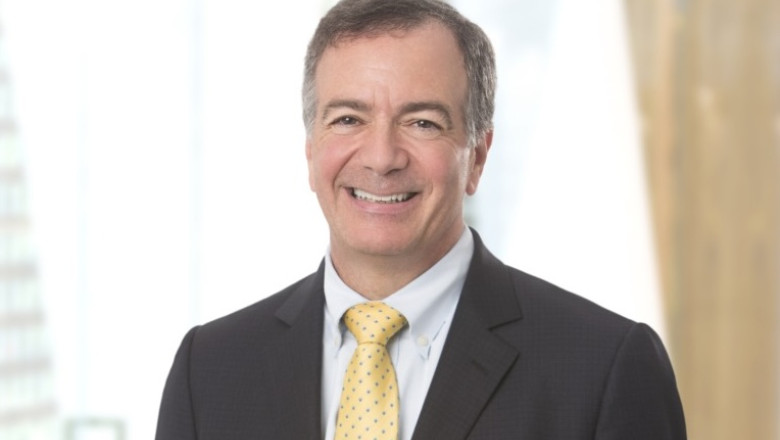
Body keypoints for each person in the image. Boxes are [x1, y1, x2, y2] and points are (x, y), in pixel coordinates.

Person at [155, 0, 686, 439]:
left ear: (477, 156)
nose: (381, 157)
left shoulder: (603, 368)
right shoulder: (210, 370)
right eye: (348, 119)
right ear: (311, 150)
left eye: (423, 122)